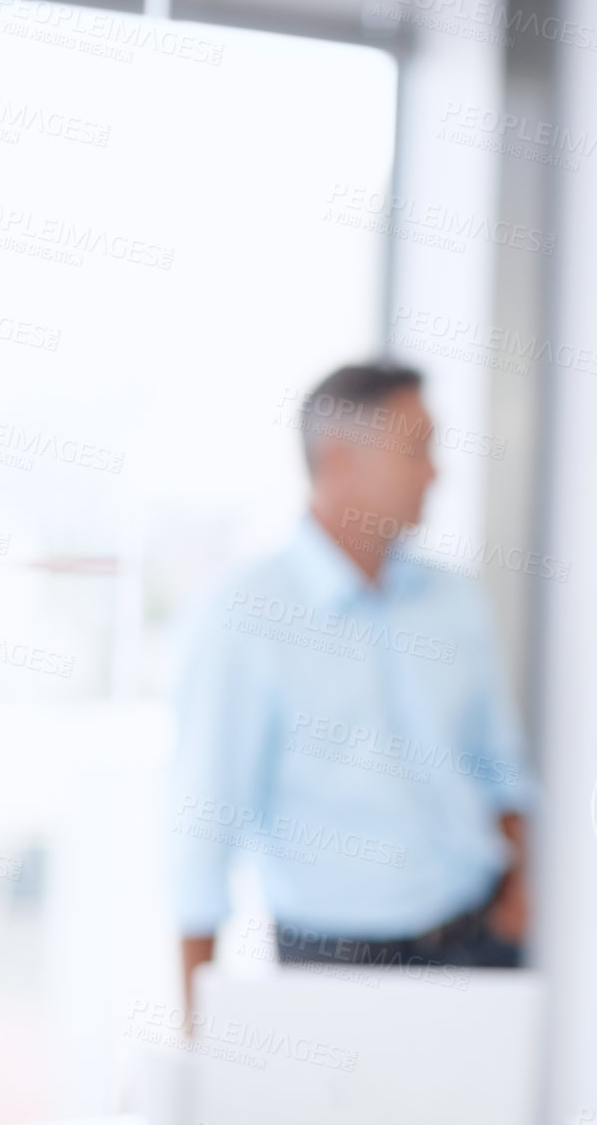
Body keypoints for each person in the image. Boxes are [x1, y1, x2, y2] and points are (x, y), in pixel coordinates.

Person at [168, 360, 536, 1014]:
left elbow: (502, 771)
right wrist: (201, 1027)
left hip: (478, 950)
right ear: (338, 460)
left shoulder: (456, 601)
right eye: (416, 450)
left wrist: (517, 902)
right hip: (333, 969)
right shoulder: (247, 612)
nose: (436, 472)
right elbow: (205, 818)